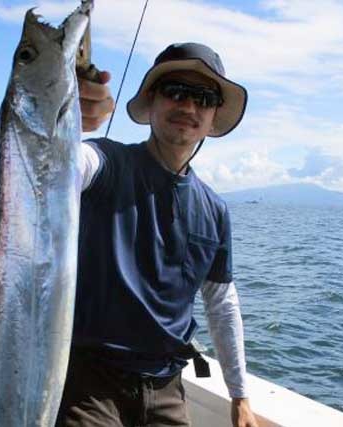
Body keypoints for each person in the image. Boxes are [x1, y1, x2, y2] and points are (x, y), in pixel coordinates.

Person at [60, 42, 258, 427]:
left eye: (203, 97)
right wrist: (64, 117)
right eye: (175, 91)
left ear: (214, 114)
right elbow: (60, 166)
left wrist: (240, 396)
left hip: (167, 387)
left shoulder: (214, 210)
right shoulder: (105, 163)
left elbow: (221, 303)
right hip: (87, 380)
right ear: (151, 102)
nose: (188, 106)